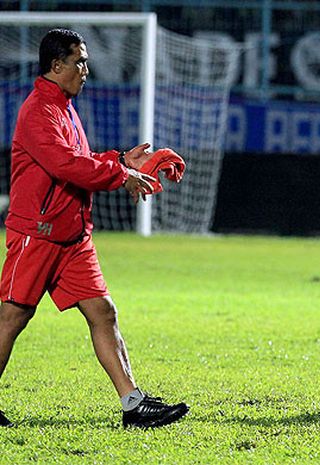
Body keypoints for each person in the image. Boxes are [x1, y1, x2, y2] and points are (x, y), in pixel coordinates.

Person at [0, 29, 189, 429]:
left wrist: (123, 160)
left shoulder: (63, 106)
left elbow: (80, 158)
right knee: (12, 317)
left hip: (72, 236)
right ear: (57, 66)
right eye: (79, 61)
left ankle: (133, 404)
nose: (86, 69)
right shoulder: (38, 111)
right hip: (39, 232)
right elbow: (67, 166)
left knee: (103, 313)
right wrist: (121, 175)